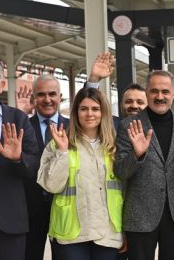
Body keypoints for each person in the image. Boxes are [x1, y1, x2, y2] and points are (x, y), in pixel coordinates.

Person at [114, 70, 174, 260]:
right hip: (140, 216)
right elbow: (121, 171)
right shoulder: (129, 125)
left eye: (165, 92)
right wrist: (137, 154)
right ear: (147, 93)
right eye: (154, 91)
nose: (160, 96)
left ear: (173, 94)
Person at [37, 87, 123, 260]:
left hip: (107, 232)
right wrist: (62, 152)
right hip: (71, 233)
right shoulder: (58, 143)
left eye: (95, 109)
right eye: (83, 109)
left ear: (103, 112)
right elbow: (50, 185)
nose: (89, 114)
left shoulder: (114, 146)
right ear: (75, 112)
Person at [0, 55, 39, 260]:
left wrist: (17, 159)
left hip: (12, 222)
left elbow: (33, 167)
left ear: (2, 83)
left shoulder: (18, 118)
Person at [24, 74, 70, 260]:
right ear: (33, 99)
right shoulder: (23, 126)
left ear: (60, 97)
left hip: (64, 208)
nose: (47, 99)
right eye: (41, 95)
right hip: (30, 210)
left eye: (52, 94)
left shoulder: (74, 126)